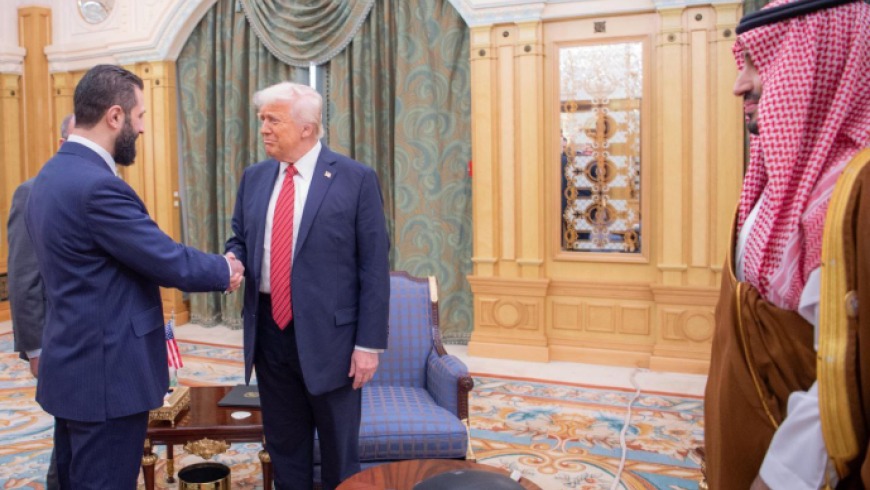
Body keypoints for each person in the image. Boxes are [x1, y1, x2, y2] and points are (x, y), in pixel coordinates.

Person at [25, 64, 244, 489]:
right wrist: (225, 269)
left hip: (72, 367)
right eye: (140, 116)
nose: (142, 128)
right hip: (107, 376)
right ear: (115, 116)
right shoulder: (97, 186)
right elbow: (164, 258)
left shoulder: (50, 174)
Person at [704, 1, 870, 489]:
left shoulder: (852, 192)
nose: (740, 84)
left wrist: (779, 478)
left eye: (757, 63)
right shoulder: (785, 179)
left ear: (819, 62)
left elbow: (841, 375)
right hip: (748, 439)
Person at [225, 81, 390, 490]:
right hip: (269, 333)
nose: (263, 128)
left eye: (273, 120)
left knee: (339, 454)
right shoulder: (254, 177)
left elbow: (373, 268)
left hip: (334, 341)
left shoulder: (355, 178)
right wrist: (232, 259)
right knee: (285, 448)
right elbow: (239, 238)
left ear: (306, 127)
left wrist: (368, 345)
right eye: (262, 119)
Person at [7, 112, 75, 490]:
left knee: (76, 437)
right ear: (62, 144)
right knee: (67, 438)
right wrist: (35, 349)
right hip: (56, 342)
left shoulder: (105, 188)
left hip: (90, 343)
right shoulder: (32, 192)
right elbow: (23, 276)